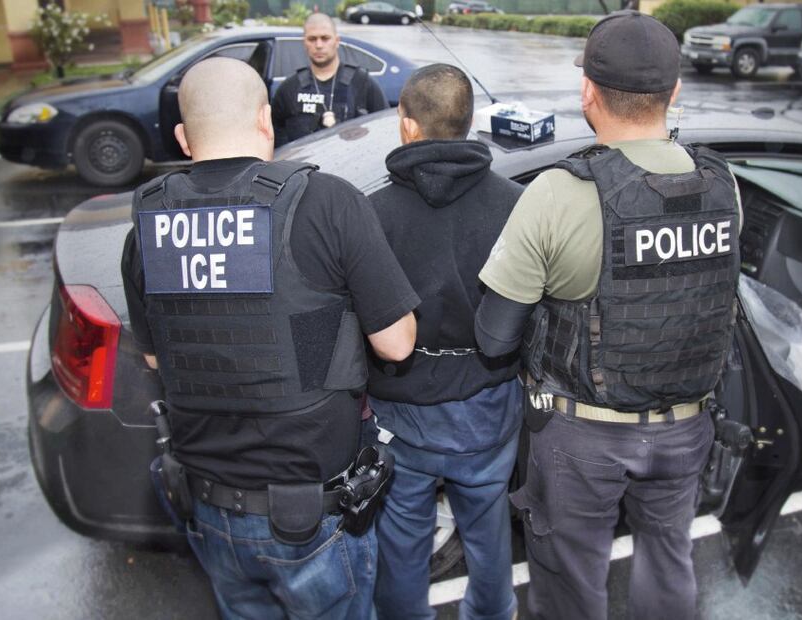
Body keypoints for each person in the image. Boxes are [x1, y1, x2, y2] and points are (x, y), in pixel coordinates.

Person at [120, 57, 419, 620]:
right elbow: (397, 344)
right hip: (310, 513)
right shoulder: (326, 202)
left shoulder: (148, 226)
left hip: (208, 505)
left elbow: (159, 356)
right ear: (267, 120)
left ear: (184, 138)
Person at [474, 11, 743, 620]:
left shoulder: (558, 192)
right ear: (674, 93)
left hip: (582, 437)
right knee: (669, 560)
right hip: (686, 425)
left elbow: (494, 336)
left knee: (570, 582)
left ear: (587, 92)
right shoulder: (724, 186)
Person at [365, 64, 524, 620]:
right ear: (468, 123)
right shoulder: (516, 204)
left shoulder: (373, 213)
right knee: (487, 532)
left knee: (402, 540)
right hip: (487, 404)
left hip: (400, 410)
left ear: (407, 126)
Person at [271, 13, 388, 145]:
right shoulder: (289, 89)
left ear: (336, 41)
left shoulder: (362, 83)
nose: (319, 45)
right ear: (304, 42)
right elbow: (276, 136)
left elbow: (383, 129)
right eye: (312, 39)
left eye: (325, 38)